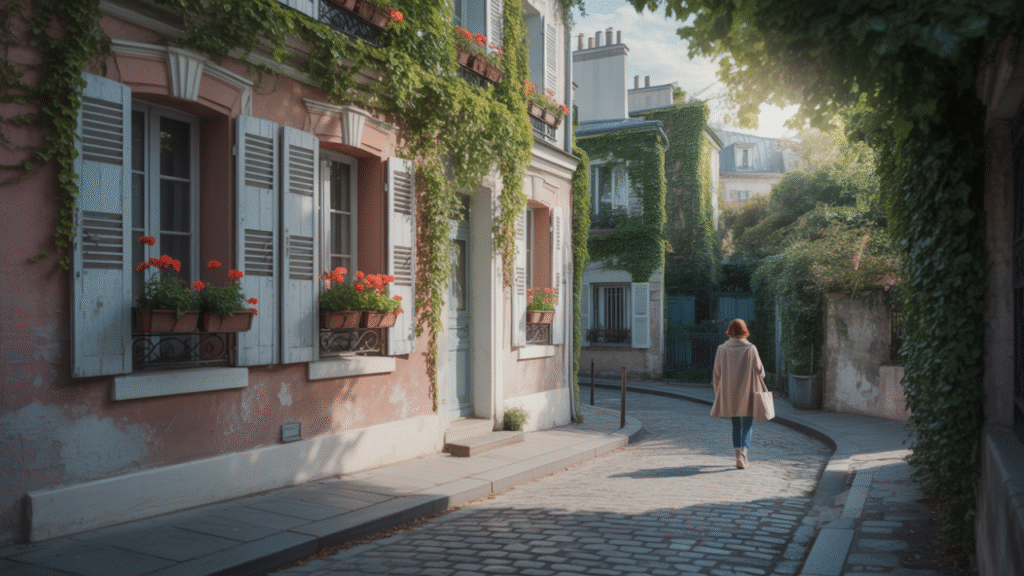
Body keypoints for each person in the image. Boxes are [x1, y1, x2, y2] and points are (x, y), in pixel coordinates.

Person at [710, 318, 766, 469]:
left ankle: (737, 455)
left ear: (730, 330)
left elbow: (716, 374)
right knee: (747, 425)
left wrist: (718, 393)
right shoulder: (751, 349)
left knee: (736, 424)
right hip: (748, 392)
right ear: (744, 331)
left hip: (730, 392)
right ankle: (744, 455)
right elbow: (761, 372)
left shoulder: (722, 349)